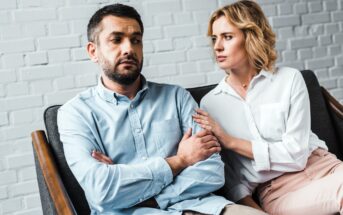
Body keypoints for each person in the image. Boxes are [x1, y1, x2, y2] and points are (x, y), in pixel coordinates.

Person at [57, 3, 267, 215]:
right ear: (93, 51)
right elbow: (102, 191)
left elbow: (212, 171)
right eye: (116, 39)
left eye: (136, 40)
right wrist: (180, 161)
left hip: (205, 206)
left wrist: (140, 192)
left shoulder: (176, 97)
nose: (129, 48)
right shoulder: (75, 114)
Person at [193, 1, 343, 215]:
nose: (217, 46)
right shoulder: (210, 104)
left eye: (227, 37)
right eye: (214, 38)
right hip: (279, 191)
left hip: (324, 166)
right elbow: (234, 179)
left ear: (250, 36)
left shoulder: (290, 79)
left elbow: (298, 154)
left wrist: (232, 141)